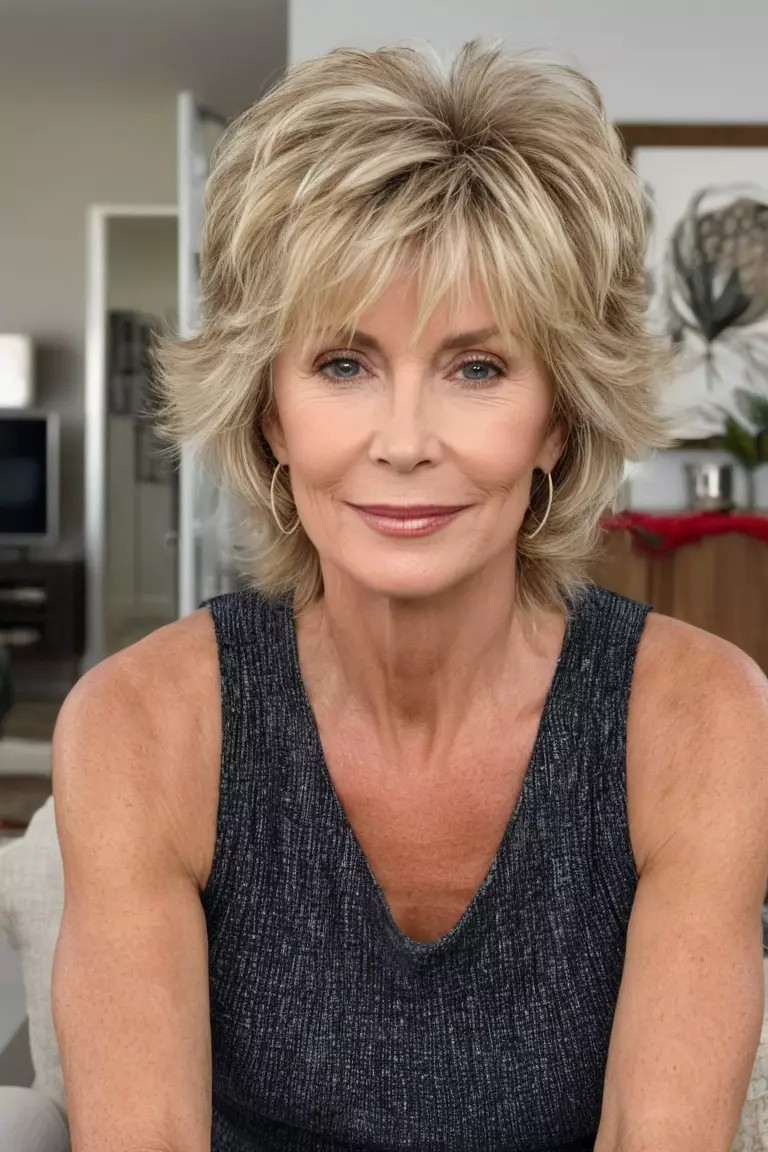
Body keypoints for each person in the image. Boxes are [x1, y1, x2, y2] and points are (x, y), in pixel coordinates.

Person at [51, 38, 768, 1152]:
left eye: (478, 368)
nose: (403, 443)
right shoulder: (143, 727)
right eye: (343, 363)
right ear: (270, 411)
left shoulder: (701, 719)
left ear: (561, 417)